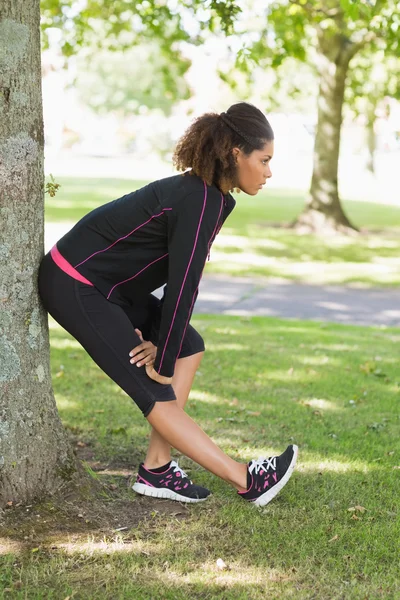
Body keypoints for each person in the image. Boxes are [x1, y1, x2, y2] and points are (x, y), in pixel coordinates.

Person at [38, 102, 298, 507]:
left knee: (187, 347)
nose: (268, 172)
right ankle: (246, 480)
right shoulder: (200, 199)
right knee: (154, 383)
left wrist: (168, 346)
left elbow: (177, 282)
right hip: (76, 282)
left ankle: (157, 469)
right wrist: (162, 359)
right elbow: (183, 286)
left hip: (113, 289)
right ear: (236, 155)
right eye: (263, 160)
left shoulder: (211, 197)